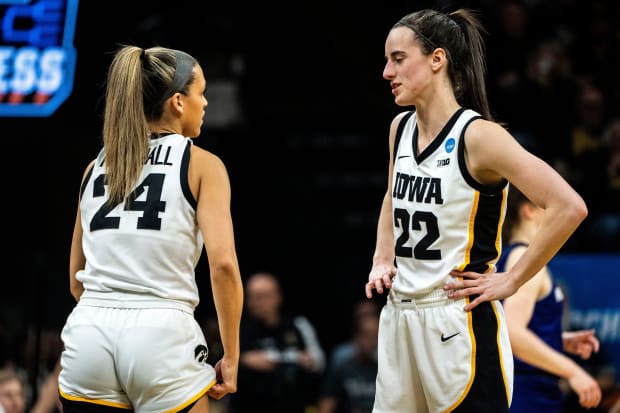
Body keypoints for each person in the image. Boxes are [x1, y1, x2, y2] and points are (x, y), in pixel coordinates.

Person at [365, 8, 588, 413]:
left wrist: (512, 280)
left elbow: (568, 206)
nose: (386, 72)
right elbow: (390, 195)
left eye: (397, 59)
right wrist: (383, 256)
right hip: (399, 319)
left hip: (457, 319)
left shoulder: (479, 136)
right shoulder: (400, 128)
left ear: (437, 59)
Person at [57, 45, 244, 413]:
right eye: (200, 92)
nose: (204, 103)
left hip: (89, 333)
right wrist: (232, 356)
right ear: (177, 102)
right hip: (161, 333)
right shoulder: (202, 164)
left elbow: (75, 281)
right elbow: (222, 267)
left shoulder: (94, 167)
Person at [497, 185, 601, 412]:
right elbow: (512, 332)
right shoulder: (525, 260)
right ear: (529, 211)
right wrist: (573, 371)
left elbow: (503, 327)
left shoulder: (508, 257)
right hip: (529, 394)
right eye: (548, 207)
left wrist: (557, 339)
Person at [228, 272, 325, 413]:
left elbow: (317, 362)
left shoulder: (298, 325)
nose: (258, 303)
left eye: (264, 296)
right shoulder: (237, 330)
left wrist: (267, 359)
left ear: (278, 297)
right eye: (253, 297)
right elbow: (235, 362)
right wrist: (295, 358)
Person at [317, 312, 379, 413]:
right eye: (367, 336)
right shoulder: (342, 370)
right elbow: (325, 407)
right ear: (357, 337)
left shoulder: (384, 372)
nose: (371, 342)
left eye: (375, 336)